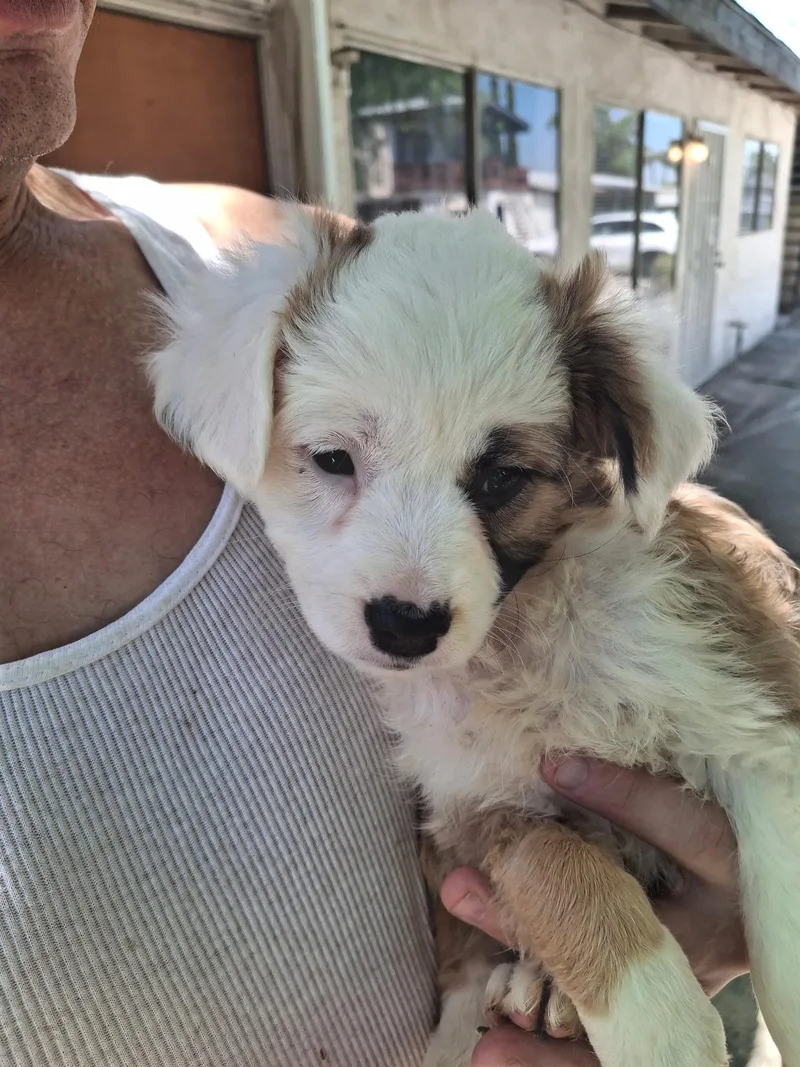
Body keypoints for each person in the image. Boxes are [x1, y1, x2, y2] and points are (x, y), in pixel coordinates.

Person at [0, 0, 747, 1063]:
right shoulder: (255, 317)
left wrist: (705, 919)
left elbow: (627, 504)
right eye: (333, 461)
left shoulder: (252, 259)